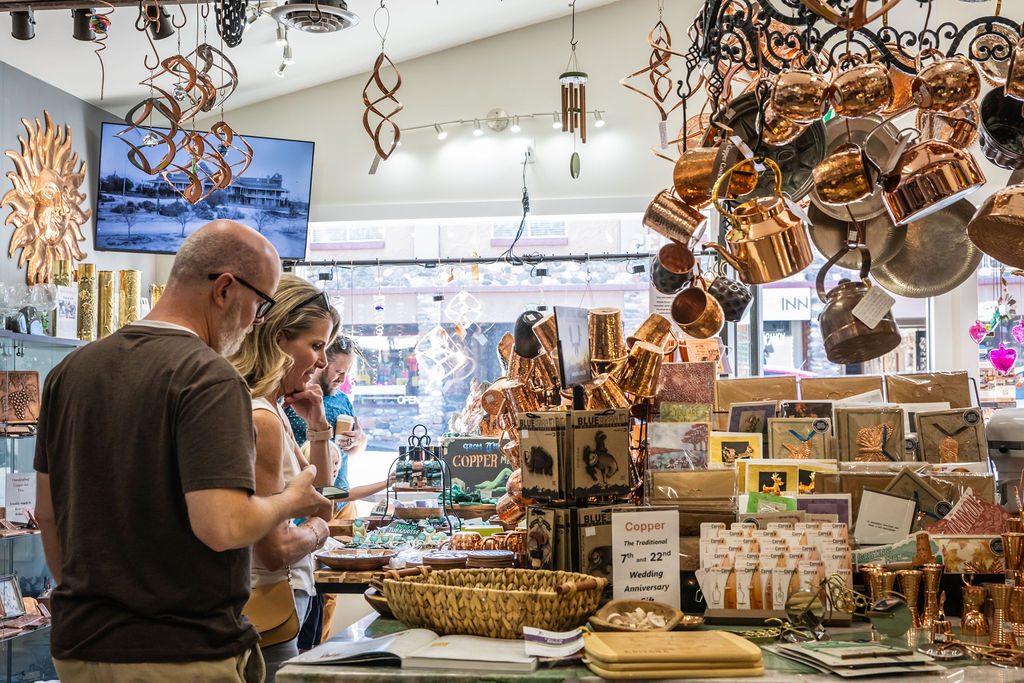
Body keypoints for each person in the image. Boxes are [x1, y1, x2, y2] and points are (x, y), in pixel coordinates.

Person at [33, 220, 331, 683]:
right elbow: (223, 525)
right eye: (259, 304)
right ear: (226, 289)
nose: (257, 321)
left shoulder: (69, 371)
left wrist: (97, 603)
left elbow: (47, 514)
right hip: (179, 652)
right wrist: (293, 500)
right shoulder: (210, 378)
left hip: (79, 646)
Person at [230, 274, 341, 682]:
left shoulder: (271, 408)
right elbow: (274, 550)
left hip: (280, 600)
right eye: (315, 346)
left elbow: (319, 489)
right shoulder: (264, 417)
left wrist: (318, 427)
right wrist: (320, 529)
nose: (323, 362)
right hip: (268, 604)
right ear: (278, 339)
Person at [287, 336, 391, 649]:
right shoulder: (294, 401)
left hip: (341, 496)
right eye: (338, 370)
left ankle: (322, 644)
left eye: (347, 373)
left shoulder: (343, 399)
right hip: (313, 498)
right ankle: (310, 644)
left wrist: (358, 440)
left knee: (331, 589)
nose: (342, 378)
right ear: (320, 363)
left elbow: (357, 447)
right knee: (315, 577)